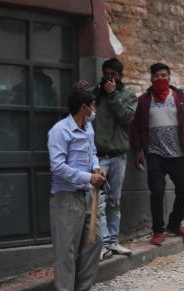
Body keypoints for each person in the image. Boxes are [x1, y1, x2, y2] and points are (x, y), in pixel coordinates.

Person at [130, 62, 184, 247]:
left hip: (176, 153)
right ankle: (158, 230)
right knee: (157, 191)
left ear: (169, 77)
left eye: (163, 75)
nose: (160, 78)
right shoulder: (144, 100)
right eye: (156, 75)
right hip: (154, 153)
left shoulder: (179, 97)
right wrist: (138, 150)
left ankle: (174, 224)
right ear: (151, 79)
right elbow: (135, 127)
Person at [47, 90, 106, 291]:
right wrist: (89, 177)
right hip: (66, 197)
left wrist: (96, 167)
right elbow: (58, 167)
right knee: (66, 248)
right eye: (93, 106)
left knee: (95, 239)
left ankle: (81, 290)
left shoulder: (88, 128)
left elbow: (91, 152)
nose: (94, 111)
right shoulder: (59, 131)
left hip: (86, 194)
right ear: (84, 107)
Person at [75, 58, 137, 260]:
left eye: (114, 74)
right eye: (106, 73)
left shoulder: (127, 95)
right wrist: (79, 94)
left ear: (120, 76)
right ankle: (101, 245)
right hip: (98, 157)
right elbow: (79, 115)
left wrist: (112, 96)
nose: (109, 78)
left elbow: (127, 118)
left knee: (114, 200)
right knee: (97, 202)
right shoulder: (93, 95)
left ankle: (112, 241)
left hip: (118, 155)